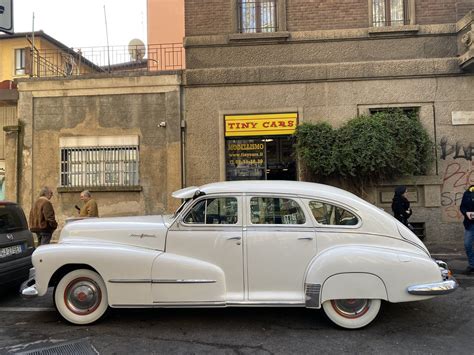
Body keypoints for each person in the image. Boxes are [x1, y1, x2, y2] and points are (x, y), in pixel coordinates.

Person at [460, 185, 474, 274]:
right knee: (467, 244)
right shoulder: (468, 193)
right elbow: (462, 207)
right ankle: (472, 265)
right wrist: (466, 213)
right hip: (470, 224)